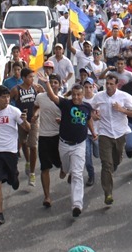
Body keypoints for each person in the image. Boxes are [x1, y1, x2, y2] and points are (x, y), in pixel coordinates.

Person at [40, 77, 97, 217]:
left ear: (83, 95)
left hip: (80, 145)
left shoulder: (86, 107)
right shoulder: (66, 104)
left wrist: (93, 132)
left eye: (79, 95)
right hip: (64, 144)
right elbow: (53, 97)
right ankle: (64, 170)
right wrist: (47, 83)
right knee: (65, 167)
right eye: (74, 94)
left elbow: (89, 119)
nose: (77, 97)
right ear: (71, 94)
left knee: (77, 174)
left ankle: (77, 204)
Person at [0, 85, 30, 225]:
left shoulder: (14, 111)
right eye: (3, 97)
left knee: (12, 180)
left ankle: (14, 176)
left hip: (10, 151)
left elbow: (28, 128)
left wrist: (25, 120)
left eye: (8, 96)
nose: (7, 99)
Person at [91, 74, 132, 205]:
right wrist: (94, 116)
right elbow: (90, 109)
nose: (109, 86)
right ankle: (108, 193)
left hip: (120, 133)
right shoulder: (99, 97)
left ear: (117, 85)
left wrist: (121, 109)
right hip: (105, 133)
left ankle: (115, 164)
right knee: (106, 164)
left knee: (116, 161)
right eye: (107, 84)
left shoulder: (125, 97)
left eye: (112, 84)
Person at [10, 68, 45, 187]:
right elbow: (7, 102)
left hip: (34, 120)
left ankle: (32, 173)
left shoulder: (37, 88)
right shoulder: (16, 90)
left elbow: (42, 102)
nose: (32, 79)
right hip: (21, 121)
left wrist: (36, 114)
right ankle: (28, 161)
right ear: (23, 78)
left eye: (33, 77)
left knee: (33, 146)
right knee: (24, 143)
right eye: (30, 77)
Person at [33, 73, 63, 207]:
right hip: (44, 136)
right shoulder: (40, 97)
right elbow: (36, 107)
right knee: (45, 168)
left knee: (62, 163)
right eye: (51, 82)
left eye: (56, 82)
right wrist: (35, 115)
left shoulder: (63, 100)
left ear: (60, 85)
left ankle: (64, 168)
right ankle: (47, 196)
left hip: (58, 137)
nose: (53, 84)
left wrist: (62, 121)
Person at [83, 77, 100, 186]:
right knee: (87, 157)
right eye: (86, 87)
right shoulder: (81, 100)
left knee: (97, 155)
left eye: (90, 87)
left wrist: (98, 116)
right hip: (85, 133)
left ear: (94, 87)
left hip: (98, 133)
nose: (88, 89)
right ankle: (91, 175)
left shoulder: (98, 99)